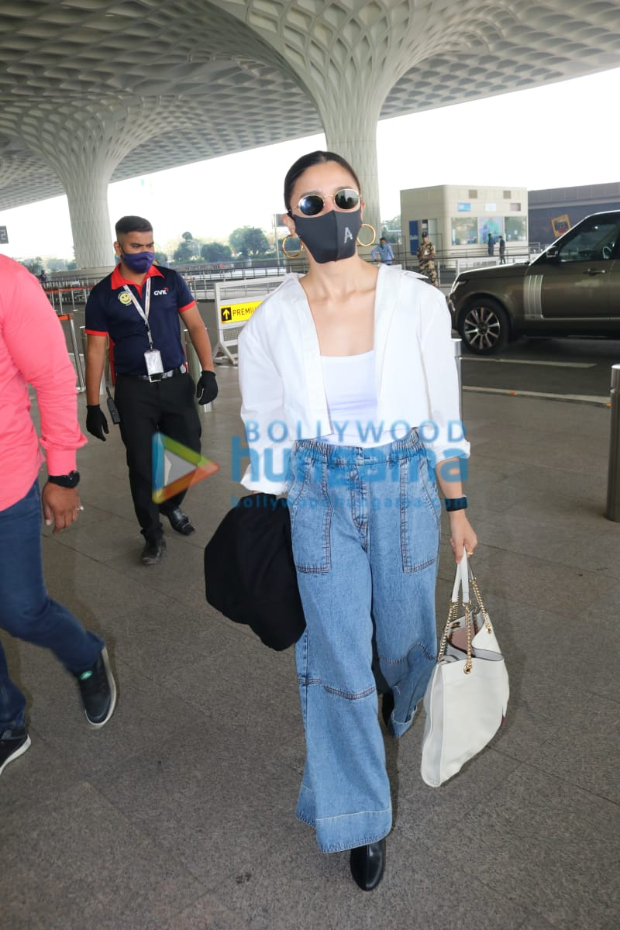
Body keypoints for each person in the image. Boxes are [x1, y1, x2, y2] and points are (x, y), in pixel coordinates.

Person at [238, 151, 476, 891]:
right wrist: (260, 516)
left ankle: (389, 702)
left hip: (406, 485)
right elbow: (267, 429)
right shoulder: (270, 321)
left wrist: (458, 507)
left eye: (342, 196)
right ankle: (360, 818)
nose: (331, 212)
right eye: (312, 204)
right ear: (290, 223)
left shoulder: (417, 302)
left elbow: (444, 415)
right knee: (334, 663)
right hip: (317, 495)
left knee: (405, 647)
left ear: (361, 203)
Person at [0, 256, 117, 778]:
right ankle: (6, 721)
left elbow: (51, 377)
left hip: (7, 479)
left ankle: (88, 657)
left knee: (21, 610)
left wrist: (63, 475)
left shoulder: (8, 282)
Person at [85, 216, 218, 566]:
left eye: (149, 245)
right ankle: (152, 535)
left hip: (175, 382)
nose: (145, 253)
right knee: (142, 466)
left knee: (189, 450)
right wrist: (93, 404)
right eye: (135, 246)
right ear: (119, 248)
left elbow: (195, 326)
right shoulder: (103, 294)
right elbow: (96, 349)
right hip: (133, 390)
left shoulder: (170, 280)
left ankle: (169, 505)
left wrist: (209, 371)